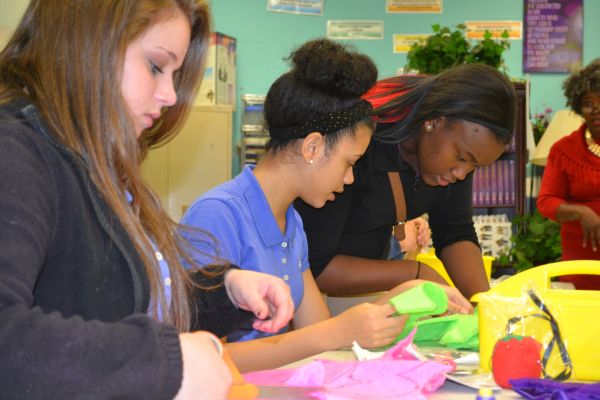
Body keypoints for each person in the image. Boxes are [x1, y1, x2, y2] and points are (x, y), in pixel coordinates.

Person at [0, 1, 295, 399]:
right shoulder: (15, 152)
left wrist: (226, 289)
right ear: (89, 43)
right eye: (156, 66)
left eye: (174, 75)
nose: (171, 96)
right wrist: (163, 364)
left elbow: (118, 298)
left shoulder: (94, 163)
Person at [181, 38, 473, 373]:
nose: (349, 179)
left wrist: (406, 293)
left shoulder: (290, 222)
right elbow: (195, 357)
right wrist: (336, 331)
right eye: (349, 163)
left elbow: (317, 326)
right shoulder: (218, 215)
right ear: (313, 148)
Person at [295, 64, 518, 300]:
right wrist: (415, 273)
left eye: (475, 166)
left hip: (366, 289)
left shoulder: (456, 155)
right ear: (433, 122)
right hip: (306, 294)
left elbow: (454, 230)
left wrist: (484, 303)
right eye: (462, 157)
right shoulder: (359, 142)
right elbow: (315, 265)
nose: (462, 173)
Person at [537, 58, 600, 290]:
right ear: (577, 107)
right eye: (588, 103)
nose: (596, 109)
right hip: (581, 258)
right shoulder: (564, 150)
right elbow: (546, 202)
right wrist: (581, 212)